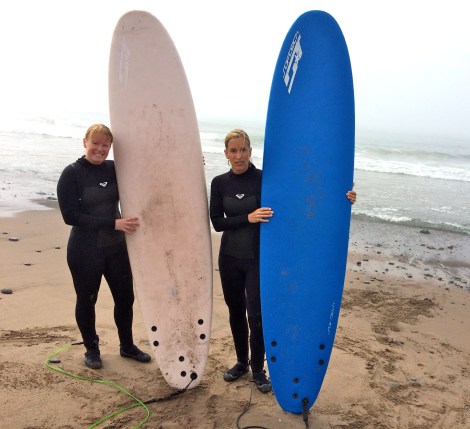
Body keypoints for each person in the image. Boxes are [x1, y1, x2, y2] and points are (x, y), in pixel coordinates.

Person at [209, 129, 356, 394]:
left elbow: (301, 197)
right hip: (229, 258)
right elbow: (217, 223)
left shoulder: (265, 180)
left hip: (258, 260)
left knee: (256, 315)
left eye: (243, 150)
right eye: (233, 150)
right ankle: (241, 362)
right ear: (226, 154)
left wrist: (342, 197)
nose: (239, 155)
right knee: (235, 312)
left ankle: (258, 370)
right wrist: (248, 218)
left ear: (250, 151)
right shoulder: (219, 183)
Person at [57, 123, 151, 369]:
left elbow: (148, 174)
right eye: (95, 143)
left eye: (105, 145)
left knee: (125, 298)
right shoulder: (72, 173)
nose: (100, 149)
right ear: (85, 142)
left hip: (116, 248)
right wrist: (113, 223)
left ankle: (127, 346)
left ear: (110, 147)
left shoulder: (114, 169)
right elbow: (70, 216)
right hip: (85, 250)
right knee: (87, 299)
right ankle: (92, 349)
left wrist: (189, 163)